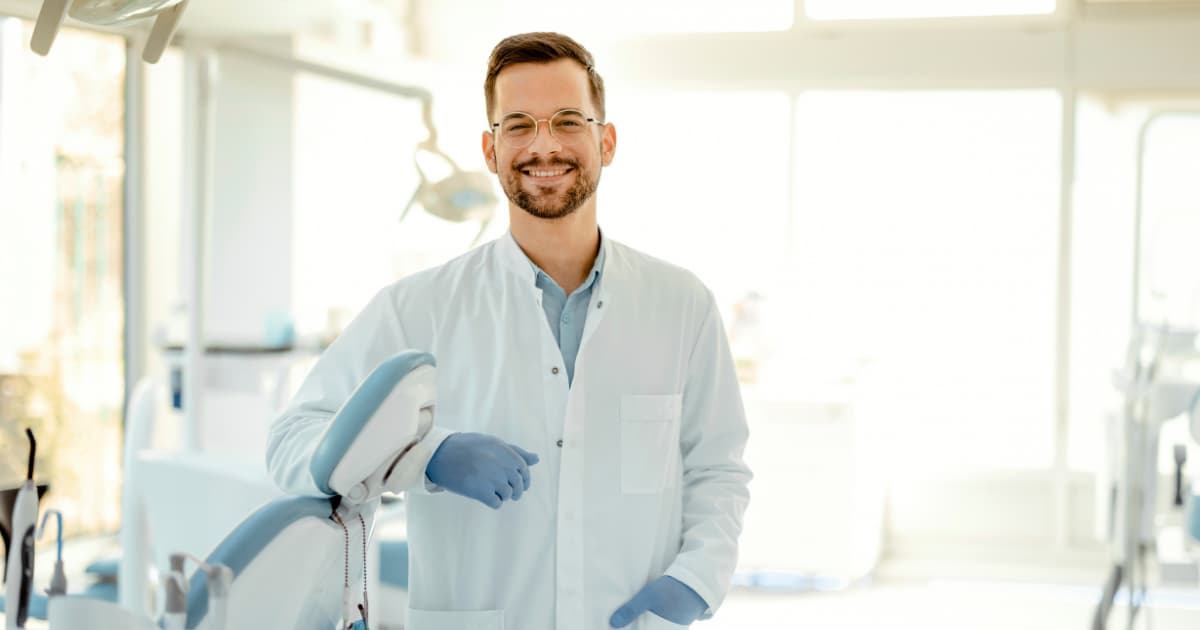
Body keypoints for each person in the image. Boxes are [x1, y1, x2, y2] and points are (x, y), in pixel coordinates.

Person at [266, 31, 752, 630]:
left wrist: (695, 581)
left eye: (568, 121)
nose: (543, 145)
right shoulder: (418, 307)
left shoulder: (682, 305)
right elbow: (293, 441)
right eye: (518, 125)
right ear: (490, 150)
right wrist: (429, 455)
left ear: (607, 140)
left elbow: (718, 468)